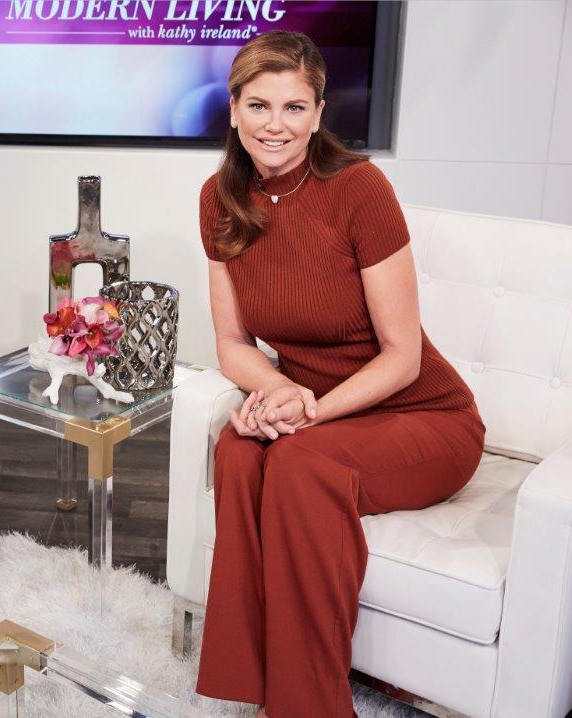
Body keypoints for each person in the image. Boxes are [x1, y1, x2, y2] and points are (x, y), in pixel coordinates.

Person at [195, 31, 484, 718]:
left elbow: (402, 355)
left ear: (320, 113)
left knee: (299, 466)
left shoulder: (359, 188)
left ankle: (310, 707)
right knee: (237, 450)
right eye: (259, 105)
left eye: (295, 108)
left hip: (425, 418)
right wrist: (276, 393)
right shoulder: (218, 197)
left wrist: (309, 411)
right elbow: (233, 344)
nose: (276, 125)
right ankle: (253, 680)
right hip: (321, 408)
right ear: (233, 110)